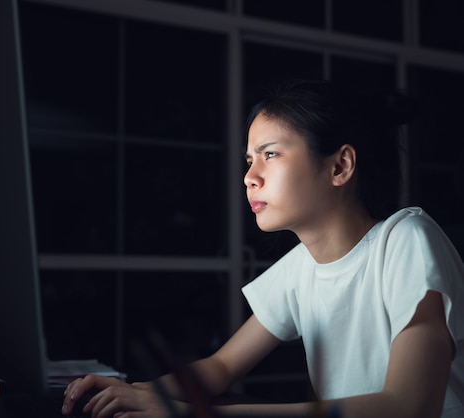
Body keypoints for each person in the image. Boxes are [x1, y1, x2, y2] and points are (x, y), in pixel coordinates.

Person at [61, 79, 464, 418]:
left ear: (340, 166)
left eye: (270, 154)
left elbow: (408, 406)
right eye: (249, 159)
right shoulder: (301, 268)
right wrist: (136, 391)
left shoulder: (407, 240)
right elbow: (221, 366)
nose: (250, 177)